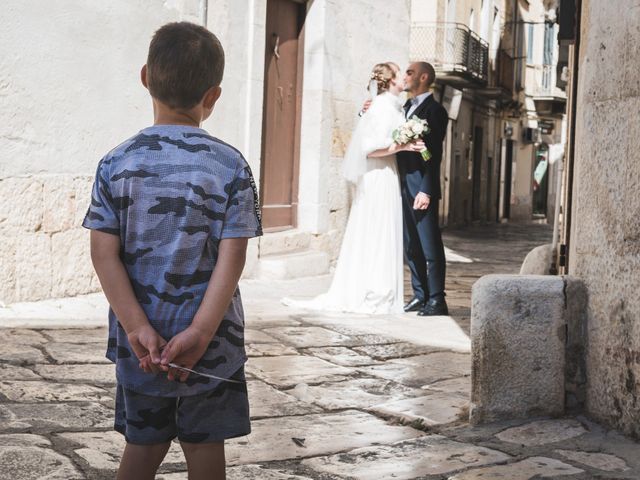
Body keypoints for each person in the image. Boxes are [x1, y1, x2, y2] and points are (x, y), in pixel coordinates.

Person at [82, 22, 262, 480]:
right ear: (214, 95)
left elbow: (103, 254)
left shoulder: (115, 162)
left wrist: (138, 327)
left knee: (142, 447)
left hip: (140, 345)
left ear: (145, 77)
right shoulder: (230, 164)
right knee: (205, 451)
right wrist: (201, 332)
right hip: (213, 345)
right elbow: (233, 255)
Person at [283, 63, 424, 314]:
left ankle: (382, 290)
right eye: (400, 72)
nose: (404, 76)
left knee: (383, 229)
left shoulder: (393, 106)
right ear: (391, 80)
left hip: (388, 173)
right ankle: (373, 291)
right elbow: (369, 148)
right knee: (376, 230)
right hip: (378, 175)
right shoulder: (381, 107)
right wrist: (402, 146)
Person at [397, 62, 449, 316]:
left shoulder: (436, 111)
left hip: (421, 188)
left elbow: (434, 154)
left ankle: (437, 299)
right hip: (404, 184)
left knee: (430, 246)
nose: (404, 77)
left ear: (424, 77)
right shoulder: (405, 107)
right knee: (411, 245)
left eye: (409, 73)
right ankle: (420, 294)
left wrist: (426, 190)